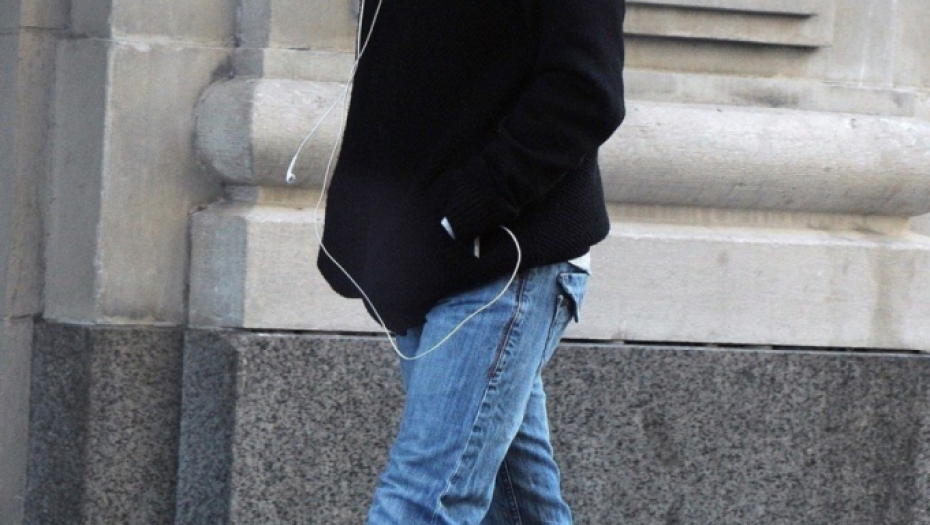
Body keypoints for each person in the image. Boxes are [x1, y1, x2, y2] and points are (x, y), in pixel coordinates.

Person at [318, 0, 626, 522]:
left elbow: (585, 90)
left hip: (508, 256)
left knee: (422, 502)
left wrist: (466, 211)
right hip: (423, 254)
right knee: (519, 509)